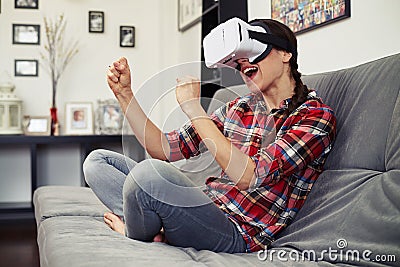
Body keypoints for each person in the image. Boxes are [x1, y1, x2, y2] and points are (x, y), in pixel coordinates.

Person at [83, 18, 336, 253]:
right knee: (98, 162)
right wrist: (125, 95)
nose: (243, 64)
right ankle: (155, 226)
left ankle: (136, 231)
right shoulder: (239, 108)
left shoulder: (314, 117)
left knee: (146, 176)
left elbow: (250, 175)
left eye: (252, 52)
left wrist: (194, 108)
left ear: (285, 53)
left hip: (236, 231)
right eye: (238, 60)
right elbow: (165, 149)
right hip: (203, 206)